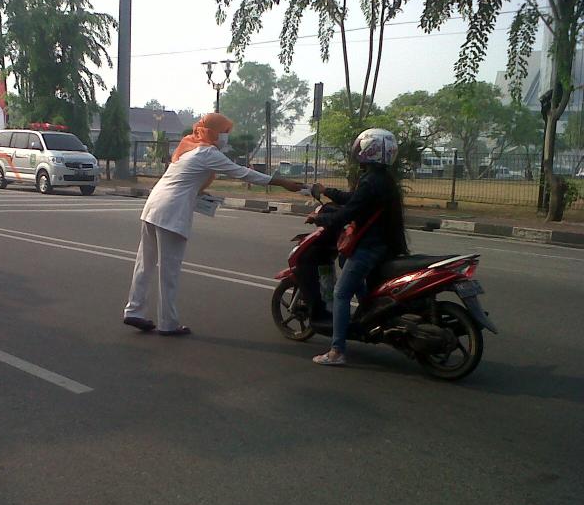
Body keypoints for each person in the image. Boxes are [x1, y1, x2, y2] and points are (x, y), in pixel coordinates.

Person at [124, 113, 304, 336]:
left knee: (145, 264)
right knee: (169, 271)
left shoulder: (189, 147)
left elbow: (185, 181)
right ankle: (167, 323)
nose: (226, 137)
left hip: (153, 207)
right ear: (213, 131)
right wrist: (283, 182)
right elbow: (243, 173)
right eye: (224, 132)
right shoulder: (207, 153)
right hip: (172, 212)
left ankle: (134, 310)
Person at [311, 128, 408, 365]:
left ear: (367, 151)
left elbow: (350, 212)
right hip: (387, 244)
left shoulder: (371, 181)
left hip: (371, 246)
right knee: (345, 261)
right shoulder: (383, 179)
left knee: (341, 293)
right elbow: (355, 200)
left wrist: (321, 219)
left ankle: (336, 351)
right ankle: (368, 311)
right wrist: (327, 192)